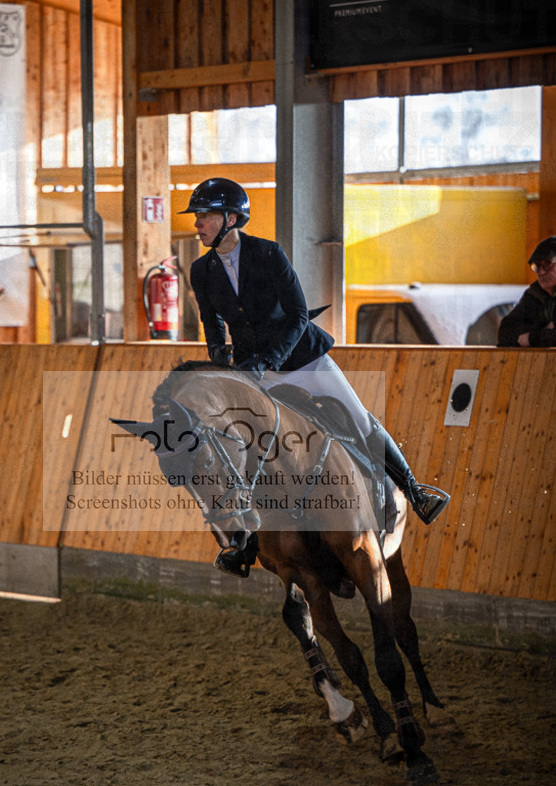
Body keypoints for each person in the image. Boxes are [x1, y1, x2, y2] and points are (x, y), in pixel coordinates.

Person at [180, 177, 450, 577]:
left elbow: (298, 315)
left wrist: (269, 360)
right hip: (254, 371)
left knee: (358, 420)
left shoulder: (268, 254)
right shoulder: (201, 270)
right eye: (198, 217)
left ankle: (414, 490)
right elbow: (212, 322)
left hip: (304, 360)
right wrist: (222, 362)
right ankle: (244, 544)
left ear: (232, 218)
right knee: (243, 449)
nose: (198, 224)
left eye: (206, 216)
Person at [497, 236, 556, 348]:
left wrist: (531, 338)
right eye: (537, 266)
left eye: (548, 263)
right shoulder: (534, 294)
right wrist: (543, 331)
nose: (541, 272)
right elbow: (505, 332)